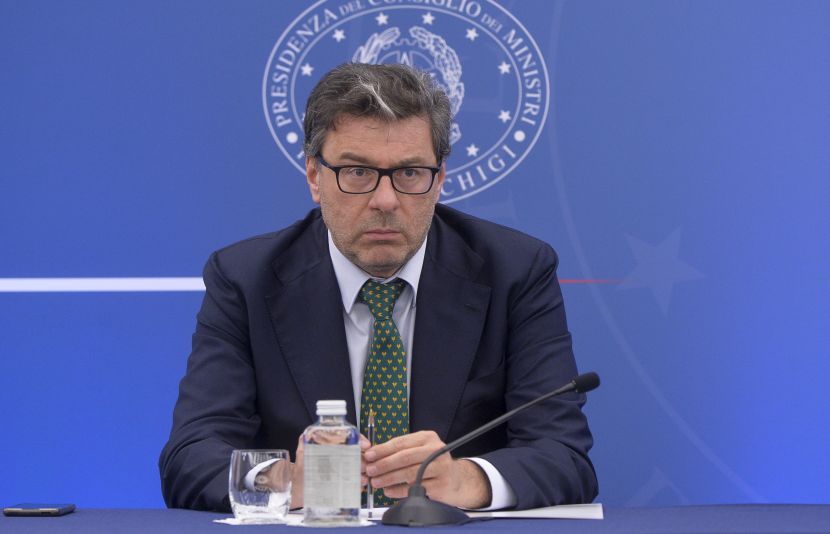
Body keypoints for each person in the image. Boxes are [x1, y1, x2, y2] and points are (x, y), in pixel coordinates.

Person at [159, 62, 598, 512]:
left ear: (439, 180)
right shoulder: (245, 280)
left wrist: (465, 479)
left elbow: (563, 455)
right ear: (314, 176)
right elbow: (190, 456)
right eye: (357, 172)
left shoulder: (515, 272)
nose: (385, 200)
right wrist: (287, 481)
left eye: (409, 173)